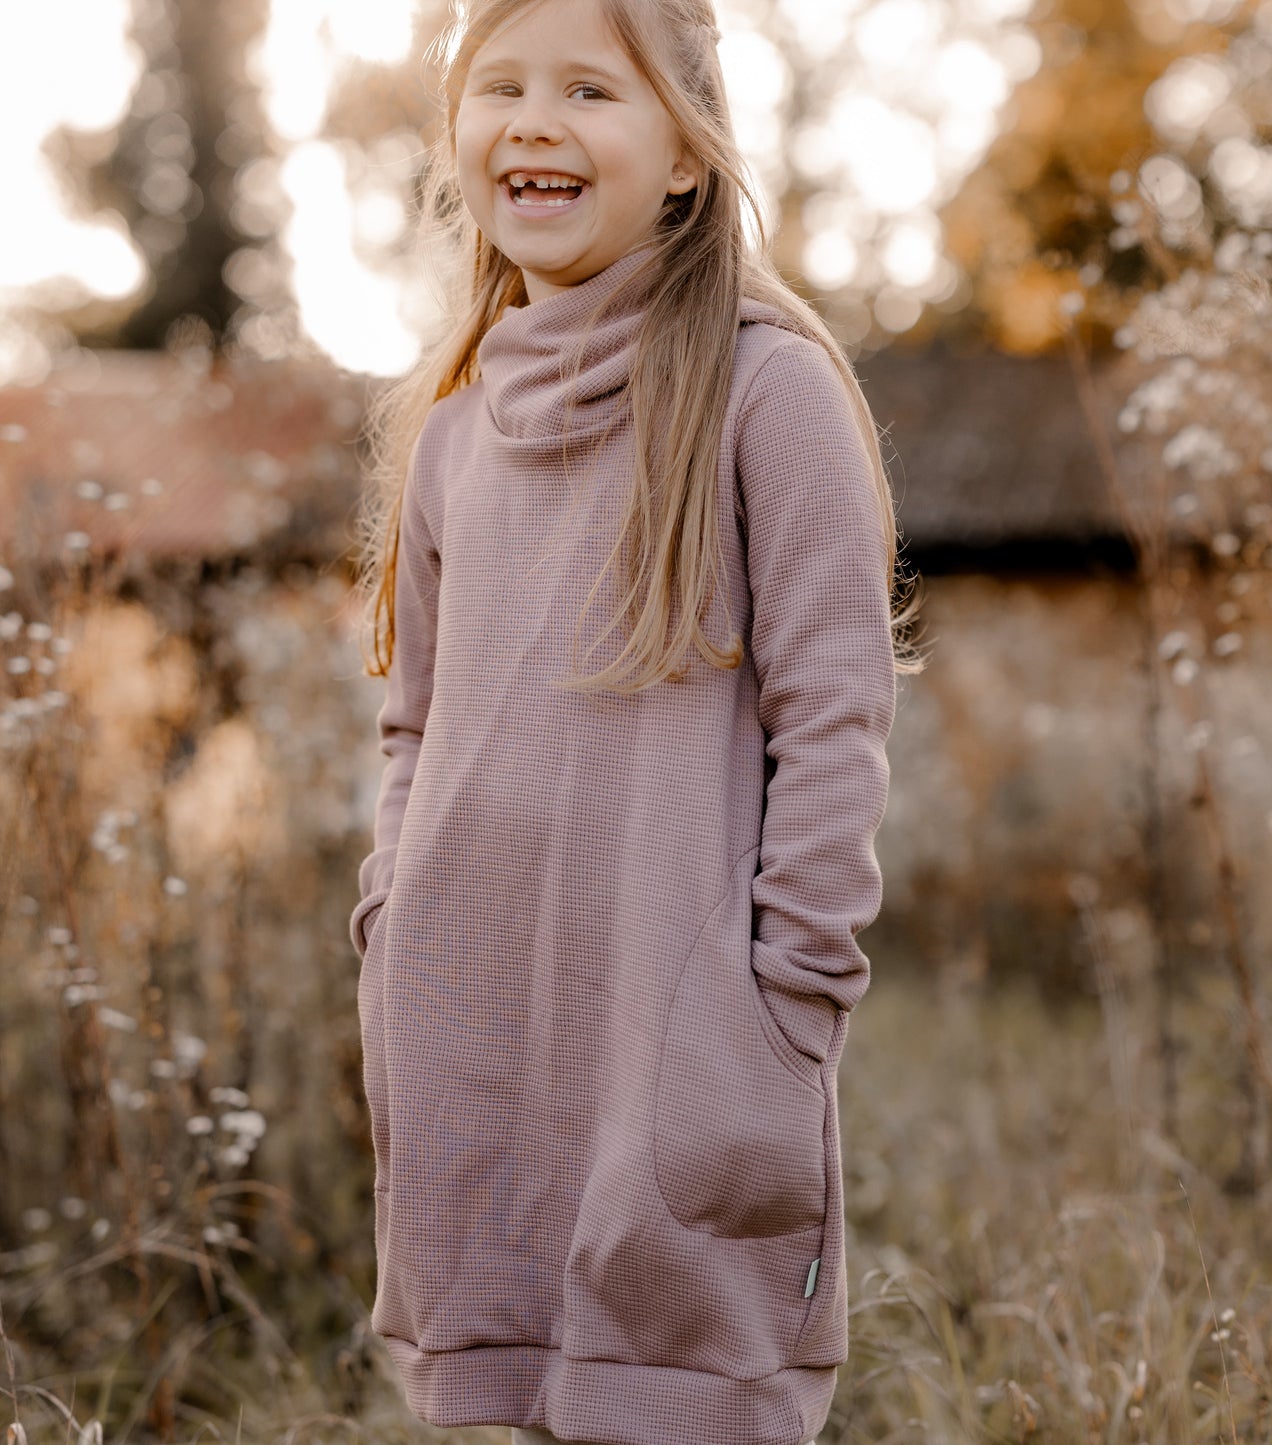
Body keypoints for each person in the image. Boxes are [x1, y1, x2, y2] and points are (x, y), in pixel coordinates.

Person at [347, 0, 923, 1441]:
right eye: (500, 88)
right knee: (513, 1404)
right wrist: (386, 929)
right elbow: (410, 728)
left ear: (686, 153)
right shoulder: (450, 427)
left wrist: (783, 1002)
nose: (532, 121)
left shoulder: (763, 388)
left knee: (681, 1404)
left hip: (678, 1027)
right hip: (472, 1012)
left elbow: (833, 720)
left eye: (590, 89)